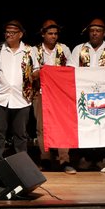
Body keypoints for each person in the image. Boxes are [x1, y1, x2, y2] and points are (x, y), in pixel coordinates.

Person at [68, 18, 105, 172]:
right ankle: (85, 158)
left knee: (102, 126)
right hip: (83, 95)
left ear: (104, 32)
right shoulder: (79, 49)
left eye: (98, 30)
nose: (94, 33)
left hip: (104, 95)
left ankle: (102, 159)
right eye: (92, 30)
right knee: (86, 125)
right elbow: (70, 71)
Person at [0, 20, 41, 164]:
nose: (8, 35)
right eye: (7, 32)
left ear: (20, 34)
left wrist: (34, 75)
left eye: (12, 33)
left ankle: (21, 163)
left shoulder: (29, 50)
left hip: (22, 99)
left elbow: (36, 71)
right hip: (0, 97)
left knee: (20, 133)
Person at [33, 19, 76, 173]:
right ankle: (45, 158)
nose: (53, 36)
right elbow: (32, 73)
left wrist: (53, 72)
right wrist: (44, 71)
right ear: (43, 34)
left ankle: (65, 160)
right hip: (40, 93)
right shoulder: (34, 50)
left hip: (60, 95)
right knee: (41, 127)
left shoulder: (64, 49)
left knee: (62, 125)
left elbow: (70, 70)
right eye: (50, 33)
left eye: (56, 34)